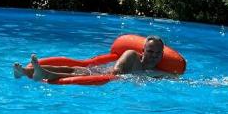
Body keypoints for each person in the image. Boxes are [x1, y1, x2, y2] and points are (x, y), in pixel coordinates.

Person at [13, 36, 170, 83]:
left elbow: (174, 77)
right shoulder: (133, 55)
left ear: (162, 55)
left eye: (158, 53)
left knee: (70, 71)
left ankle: (27, 73)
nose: (154, 55)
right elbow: (117, 71)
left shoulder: (155, 72)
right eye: (150, 51)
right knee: (69, 71)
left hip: (100, 74)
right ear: (143, 51)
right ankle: (30, 72)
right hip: (100, 73)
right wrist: (138, 78)